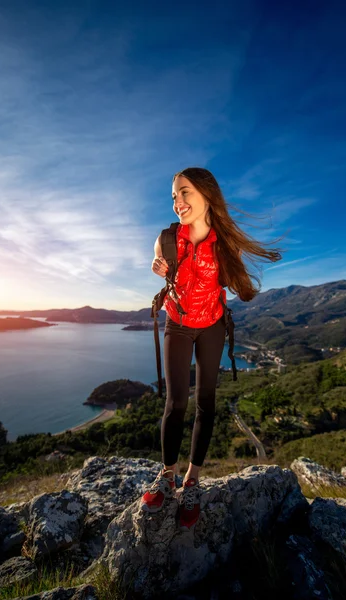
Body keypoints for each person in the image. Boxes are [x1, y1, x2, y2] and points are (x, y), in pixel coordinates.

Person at [140, 167, 284, 530]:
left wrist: (244, 282)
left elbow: (234, 282)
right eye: (174, 196)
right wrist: (158, 268)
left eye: (184, 192)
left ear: (206, 194)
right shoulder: (167, 239)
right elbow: (160, 266)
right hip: (178, 324)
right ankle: (167, 474)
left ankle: (191, 480)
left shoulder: (225, 242)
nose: (178, 202)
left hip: (212, 328)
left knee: (207, 402)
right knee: (175, 404)